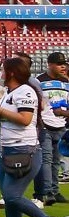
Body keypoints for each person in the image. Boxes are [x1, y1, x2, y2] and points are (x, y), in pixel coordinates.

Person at [0, 56, 61, 217]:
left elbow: (25, 119)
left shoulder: (26, 91)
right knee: (9, 196)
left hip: (23, 149)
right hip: (6, 148)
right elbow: (7, 120)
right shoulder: (9, 92)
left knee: (12, 195)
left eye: (2, 69)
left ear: (12, 73)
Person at [35, 51, 68, 205]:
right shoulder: (38, 81)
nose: (63, 66)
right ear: (50, 64)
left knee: (56, 160)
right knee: (46, 159)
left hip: (61, 125)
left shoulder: (66, 82)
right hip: (45, 126)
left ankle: (55, 190)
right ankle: (46, 191)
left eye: (64, 64)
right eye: (59, 64)